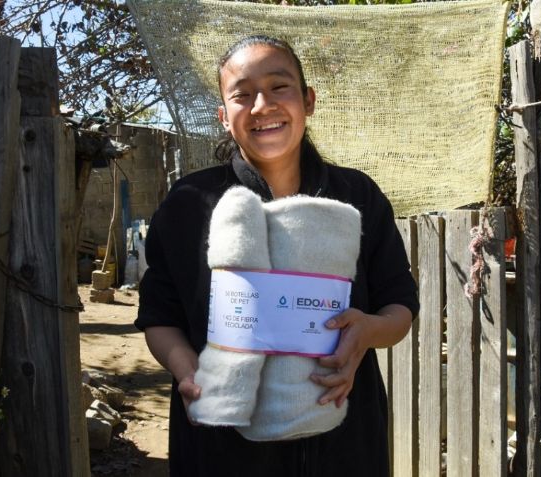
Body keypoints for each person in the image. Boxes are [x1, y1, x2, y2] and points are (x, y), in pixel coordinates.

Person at [135, 35, 419, 476]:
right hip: (224, 447)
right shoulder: (190, 203)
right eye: (242, 95)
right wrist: (188, 372)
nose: (262, 105)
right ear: (224, 117)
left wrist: (365, 332)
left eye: (279, 87)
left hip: (343, 442)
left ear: (308, 100)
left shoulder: (356, 197)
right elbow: (159, 315)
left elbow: (400, 305)